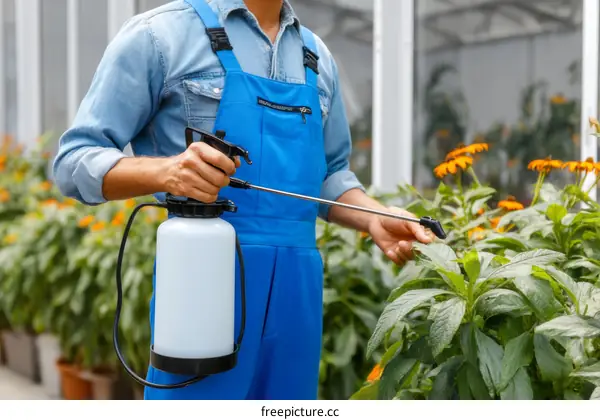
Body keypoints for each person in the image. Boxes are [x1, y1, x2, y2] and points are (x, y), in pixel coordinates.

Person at [53, 0, 432, 400]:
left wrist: (375, 217)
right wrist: (165, 172)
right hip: (202, 284)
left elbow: (328, 174)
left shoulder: (316, 55)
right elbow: (74, 159)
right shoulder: (159, 36)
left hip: (297, 293)